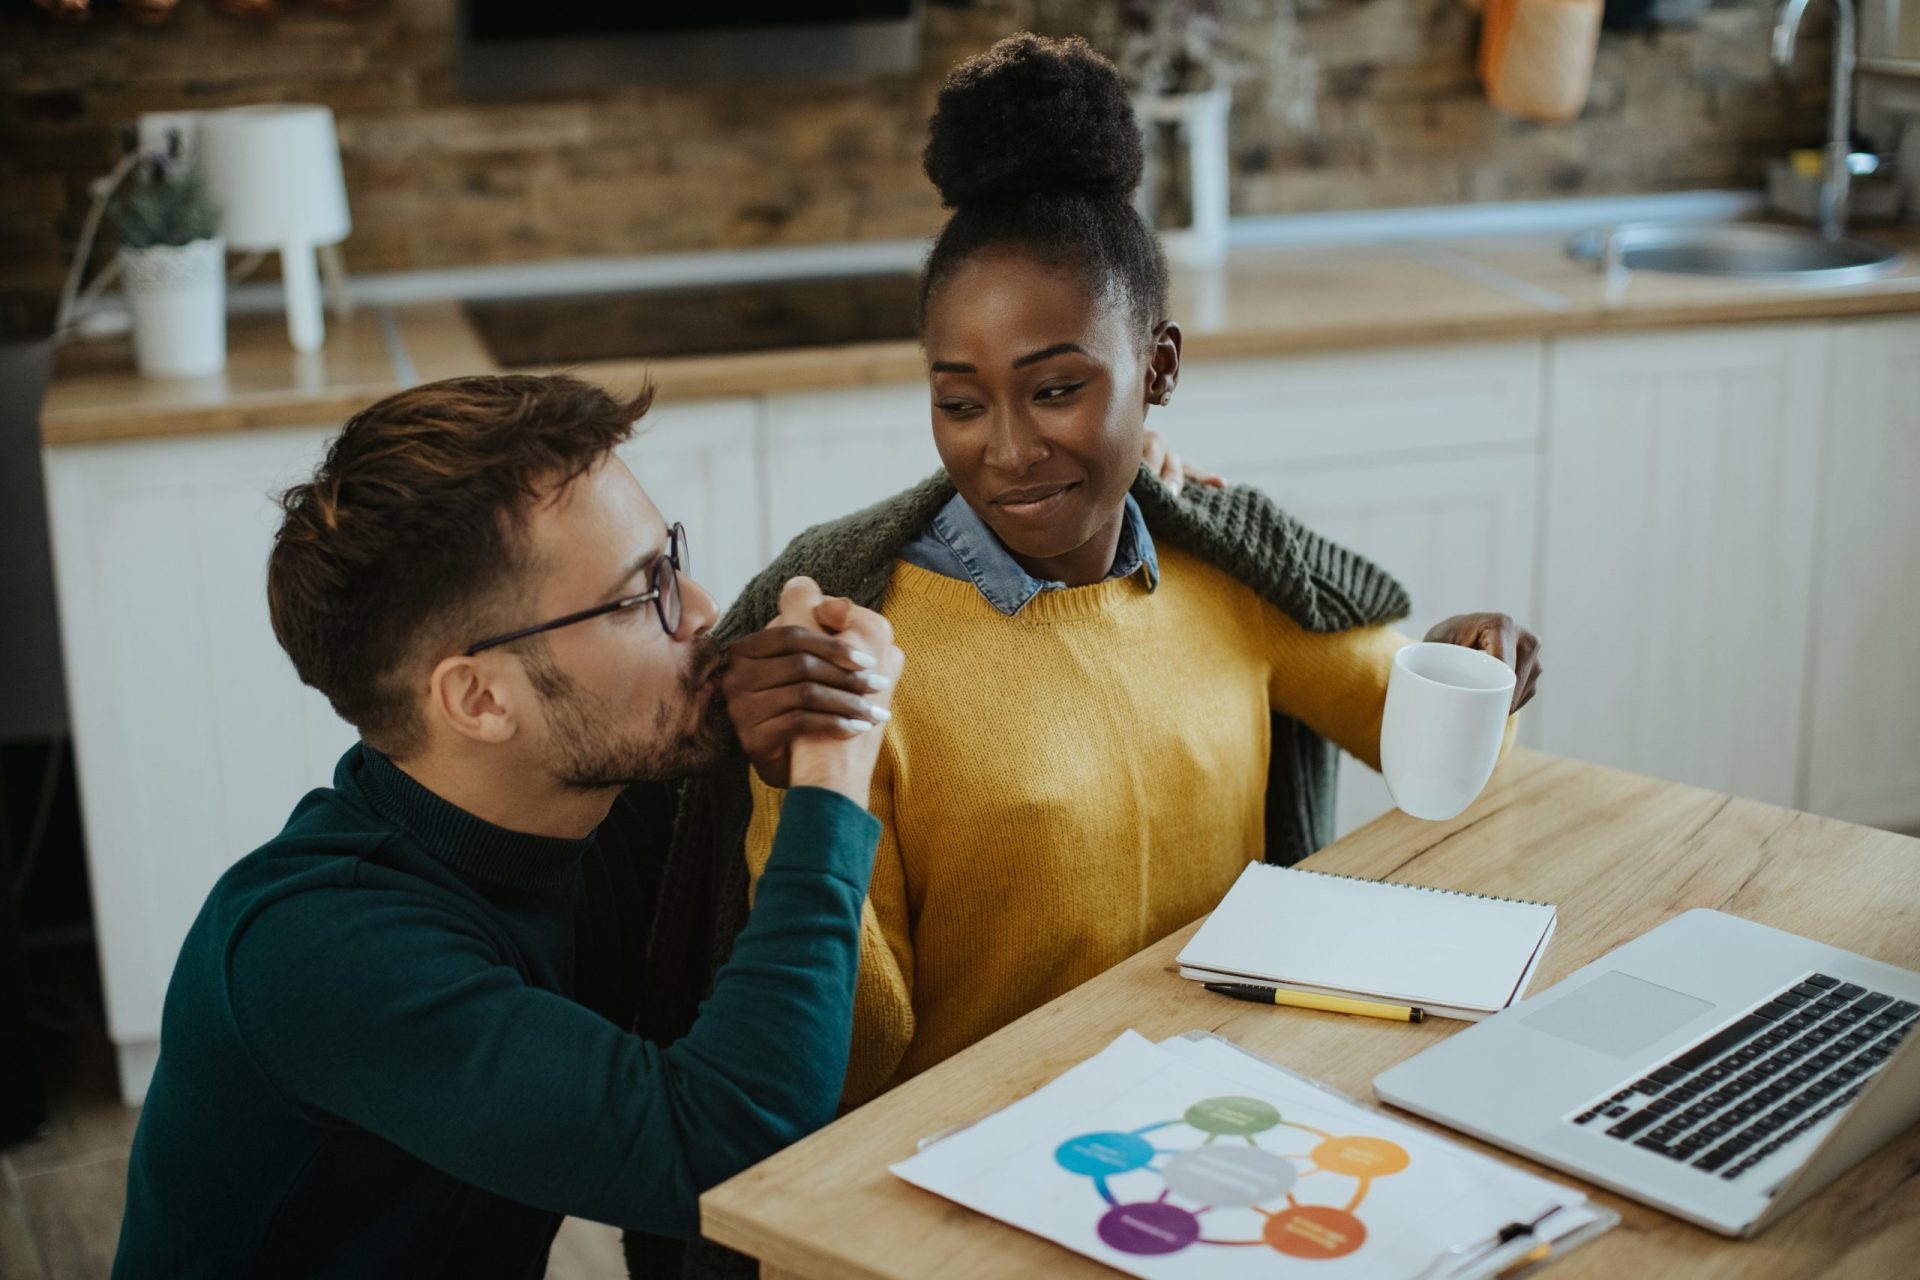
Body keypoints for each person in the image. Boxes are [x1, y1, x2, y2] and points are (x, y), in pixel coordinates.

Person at [640, 31, 1546, 1163]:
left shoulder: (1232, 574)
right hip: (979, 1176)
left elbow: (1440, 763)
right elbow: (851, 1069)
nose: (1009, 449)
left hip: (1229, 1134)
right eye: (961, 402)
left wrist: (1480, 666)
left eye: (1057, 388)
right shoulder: (859, 648)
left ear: (1158, 368)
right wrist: (796, 794)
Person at [110, 373, 906, 1278]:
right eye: (642, 592)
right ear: (481, 698)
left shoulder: (593, 806)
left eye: (670, 558)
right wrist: (836, 761)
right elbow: (728, 1143)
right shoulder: (318, 954)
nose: (702, 608)